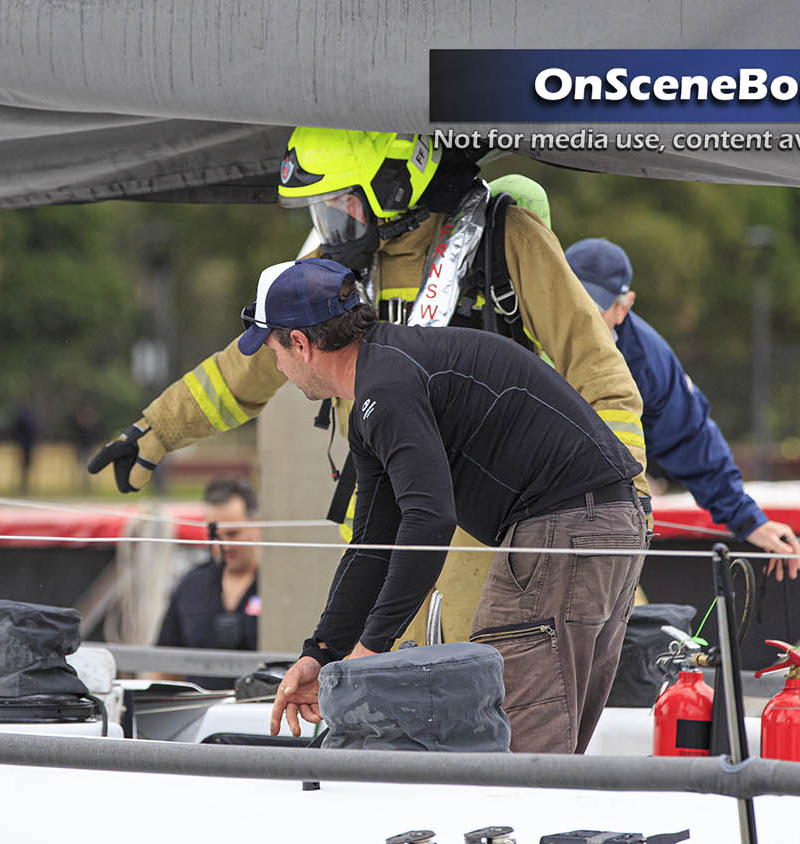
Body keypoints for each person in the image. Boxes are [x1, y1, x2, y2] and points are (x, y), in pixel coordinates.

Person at [89, 128, 648, 645]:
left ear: (395, 187)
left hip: (491, 525)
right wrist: (156, 431)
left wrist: (623, 505)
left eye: (340, 204)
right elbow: (247, 366)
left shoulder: (505, 241)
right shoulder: (336, 267)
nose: (330, 223)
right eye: (323, 208)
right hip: (381, 530)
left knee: (474, 697)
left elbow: (600, 376)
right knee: (382, 701)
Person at [250, 258, 647, 754]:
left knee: (515, 751)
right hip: (607, 523)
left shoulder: (386, 390)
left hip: (562, 525)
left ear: (301, 345)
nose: (279, 368)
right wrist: (323, 653)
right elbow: (371, 546)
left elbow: (429, 518)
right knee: (552, 753)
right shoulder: (386, 377)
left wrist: (370, 651)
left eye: (273, 352)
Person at [565, 238, 800, 580]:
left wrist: (749, 520)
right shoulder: (523, 326)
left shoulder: (649, 363)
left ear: (624, 306)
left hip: (594, 514)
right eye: (574, 303)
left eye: (595, 308)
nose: (583, 319)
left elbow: (690, 439)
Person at [152, 477, 262, 688]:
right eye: (215, 535)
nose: (224, 545)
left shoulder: (282, 586)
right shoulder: (192, 585)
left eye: (233, 534)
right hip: (199, 712)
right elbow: (164, 667)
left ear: (256, 524)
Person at [10, 402, 38, 494]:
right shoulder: (26, 421)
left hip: (27, 446)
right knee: (23, 467)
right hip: (24, 446)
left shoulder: (27, 421)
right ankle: (23, 485)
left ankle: (25, 485)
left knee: (26, 467)